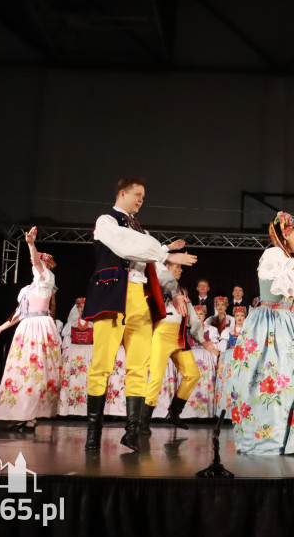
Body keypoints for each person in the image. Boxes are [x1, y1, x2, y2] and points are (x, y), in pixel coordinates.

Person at [81, 177, 198, 452]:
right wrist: (165, 251)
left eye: (143, 197)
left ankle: (132, 431)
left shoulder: (140, 230)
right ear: (122, 192)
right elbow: (126, 246)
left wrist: (175, 290)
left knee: (139, 367)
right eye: (137, 194)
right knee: (101, 366)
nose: (140, 200)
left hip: (140, 299)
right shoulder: (106, 221)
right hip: (113, 297)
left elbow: (153, 266)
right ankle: (93, 432)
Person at [227, 212, 294, 454]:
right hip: (269, 324)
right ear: (286, 233)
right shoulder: (273, 255)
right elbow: (285, 286)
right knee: (272, 380)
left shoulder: (293, 262)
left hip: (289, 324)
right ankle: (270, 440)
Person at [0, 227, 62, 433]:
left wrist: (30, 245)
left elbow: (37, 263)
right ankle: (22, 413)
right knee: (21, 370)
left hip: (40, 327)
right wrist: (1, 329)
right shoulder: (26, 289)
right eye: (34, 263)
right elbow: (19, 313)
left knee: (36, 370)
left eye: (40, 264)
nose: (35, 266)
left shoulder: (47, 282)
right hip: (26, 327)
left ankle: (31, 414)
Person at [142, 261, 218, 435]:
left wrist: (204, 342)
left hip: (179, 338)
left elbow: (192, 320)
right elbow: (158, 286)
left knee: (192, 374)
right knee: (155, 379)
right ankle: (143, 422)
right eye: (178, 266)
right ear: (168, 268)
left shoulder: (183, 297)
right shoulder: (160, 290)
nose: (181, 270)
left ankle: (174, 413)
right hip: (161, 337)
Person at [183, 304, 220, 419]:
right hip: (190, 357)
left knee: (203, 384)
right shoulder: (186, 329)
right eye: (196, 314)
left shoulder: (211, 329)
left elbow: (214, 347)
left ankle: (203, 413)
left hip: (204, 360)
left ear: (204, 315)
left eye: (201, 314)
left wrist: (214, 362)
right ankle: (187, 413)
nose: (198, 316)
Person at [58, 302, 93, 417]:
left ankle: (88, 410)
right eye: (80, 307)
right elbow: (66, 341)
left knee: (87, 379)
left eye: (84, 306)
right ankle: (71, 410)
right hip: (74, 352)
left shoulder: (94, 324)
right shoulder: (71, 324)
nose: (82, 309)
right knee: (73, 379)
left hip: (89, 351)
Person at [214, 306, 248, 416]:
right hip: (230, 357)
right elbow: (223, 346)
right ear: (234, 316)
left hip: (242, 356)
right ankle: (227, 412)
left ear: (245, 317)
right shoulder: (228, 330)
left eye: (242, 316)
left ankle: (240, 412)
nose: (239, 318)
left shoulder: (247, 330)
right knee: (228, 383)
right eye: (237, 315)